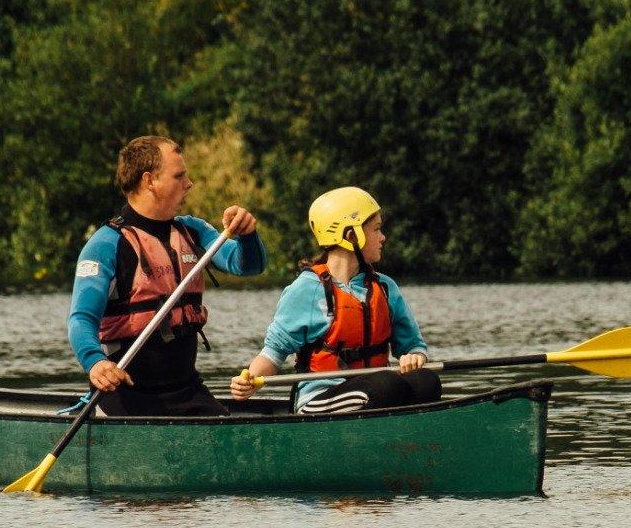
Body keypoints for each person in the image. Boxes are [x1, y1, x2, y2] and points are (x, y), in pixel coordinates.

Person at [68, 135, 264, 417]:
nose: (189, 183)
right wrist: (96, 363)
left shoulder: (192, 231)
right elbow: (81, 319)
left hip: (186, 390)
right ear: (150, 181)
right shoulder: (106, 244)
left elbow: (246, 266)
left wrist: (247, 236)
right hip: (126, 394)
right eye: (179, 176)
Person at [228, 186, 441, 414]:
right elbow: (272, 354)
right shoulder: (306, 290)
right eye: (376, 230)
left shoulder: (386, 288)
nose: (383, 237)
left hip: (378, 391)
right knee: (386, 384)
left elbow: (413, 347)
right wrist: (248, 380)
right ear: (351, 236)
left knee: (426, 382)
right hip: (319, 400)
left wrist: (415, 358)